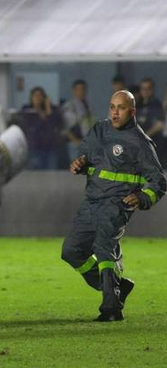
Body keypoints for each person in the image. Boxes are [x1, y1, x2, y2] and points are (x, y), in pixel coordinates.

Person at [62, 90, 166, 322]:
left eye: (120, 107)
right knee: (71, 251)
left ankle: (111, 308)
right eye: (112, 107)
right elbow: (85, 157)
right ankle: (116, 286)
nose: (115, 112)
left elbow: (159, 182)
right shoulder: (99, 130)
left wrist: (142, 197)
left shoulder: (141, 142)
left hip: (117, 204)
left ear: (132, 111)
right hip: (91, 201)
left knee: (103, 247)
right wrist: (79, 163)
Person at [17, 86, 65, 170]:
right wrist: (41, 118)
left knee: (52, 174)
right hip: (35, 147)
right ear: (31, 98)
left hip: (51, 147)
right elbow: (30, 128)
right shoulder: (27, 110)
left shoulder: (52, 109)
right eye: (35, 95)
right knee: (35, 175)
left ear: (44, 97)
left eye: (40, 96)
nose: (38, 98)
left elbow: (57, 124)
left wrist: (48, 109)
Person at [62, 80, 94, 162]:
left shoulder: (88, 105)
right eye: (79, 89)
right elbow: (65, 128)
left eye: (83, 89)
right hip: (76, 143)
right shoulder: (70, 106)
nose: (81, 92)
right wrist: (76, 141)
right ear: (74, 91)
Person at [135, 78, 166, 165]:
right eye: (143, 89)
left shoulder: (156, 104)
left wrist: (145, 136)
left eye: (148, 88)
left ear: (152, 90)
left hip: (153, 147)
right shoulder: (137, 105)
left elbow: (160, 124)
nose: (145, 91)